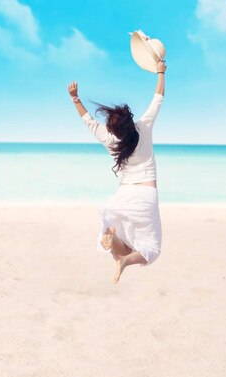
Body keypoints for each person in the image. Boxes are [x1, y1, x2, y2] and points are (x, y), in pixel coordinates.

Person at [68, 60, 166, 284]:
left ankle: (114, 242)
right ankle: (124, 262)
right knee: (152, 249)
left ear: (112, 128)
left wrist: (75, 98)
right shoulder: (143, 128)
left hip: (122, 198)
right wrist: (160, 72)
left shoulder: (110, 140)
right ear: (129, 120)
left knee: (122, 243)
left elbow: (89, 122)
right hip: (145, 196)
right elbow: (158, 98)